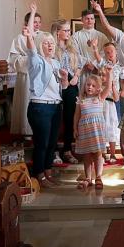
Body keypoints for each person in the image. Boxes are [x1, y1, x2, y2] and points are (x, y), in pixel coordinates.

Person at [23, 3, 68, 189]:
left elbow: (62, 87)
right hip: (40, 107)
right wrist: (33, 13)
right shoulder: (36, 61)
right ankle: (38, 174)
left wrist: (65, 80)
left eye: (51, 43)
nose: (50, 46)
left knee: (52, 143)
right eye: (46, 43)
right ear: (41, 46)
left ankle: (48, 171)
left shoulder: (56, 63)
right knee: (41, 143)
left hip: (55, 106)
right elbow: (31, 44)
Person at [7, 8, 45, 137]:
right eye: (34, 22)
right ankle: (26, 131)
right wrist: (30, 60)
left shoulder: (43, 36)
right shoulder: (20, 38)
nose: (37, 24)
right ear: (27, 23)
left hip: (40, 75)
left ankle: (39, 130)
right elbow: (13, 58)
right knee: (26, 102)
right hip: (26, 76)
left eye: (39, 22)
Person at [51, 20, 84, 165]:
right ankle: (54, 151)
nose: (69, 33)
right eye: (66, 30)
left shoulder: (72, 46)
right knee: (56, 117)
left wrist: (76, 76)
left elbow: (80, 64)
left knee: (70, 117)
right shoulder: (52, 46)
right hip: (57, 83)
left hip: (72, 83)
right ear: (57, 32)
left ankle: (67, 149)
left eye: (69, 30)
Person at [73, 75, 110, 189]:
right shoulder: (81, 100)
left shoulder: (99, 98)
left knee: (98, 153)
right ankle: (88, 178)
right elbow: (77, 115)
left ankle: (98, 176)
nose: (90, 87)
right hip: (85, 130)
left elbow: (108, 87)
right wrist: (74, 129)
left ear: (98, 88)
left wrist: (110, 74)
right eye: (88, 84)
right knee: (87, 154)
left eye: (93, 85)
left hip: (96, 131)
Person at [73, 8, 110, 79]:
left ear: (94, 20)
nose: (89, 21)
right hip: (82, 70)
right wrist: (86, 63)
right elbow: (74, 52)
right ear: (82, 20)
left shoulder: (102, 36)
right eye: (87, 18)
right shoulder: (76, 36)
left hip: (98, 70)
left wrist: (94, 64)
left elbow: (105, 52)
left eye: (91, 18)